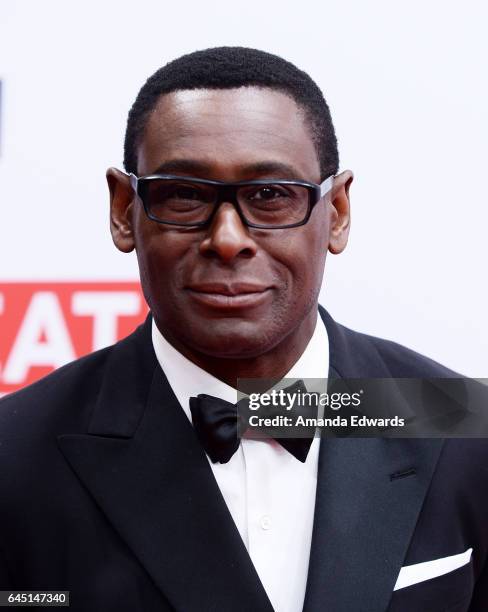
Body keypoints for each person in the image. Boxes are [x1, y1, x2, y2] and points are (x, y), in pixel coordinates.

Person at [0, 47, 486, 612]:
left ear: (338, 212)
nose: (228, 238)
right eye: (184, 194)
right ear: (123, 210)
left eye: (271, 196)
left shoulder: (460, 430)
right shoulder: (14, 455)